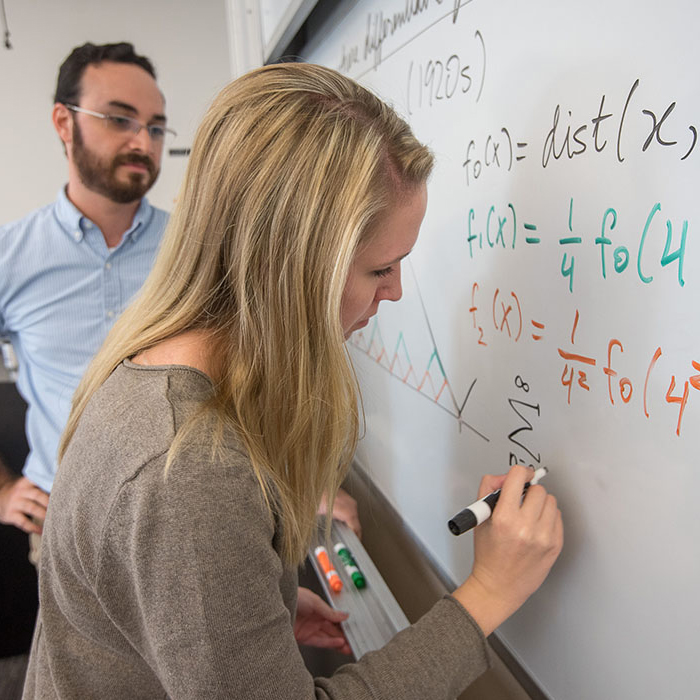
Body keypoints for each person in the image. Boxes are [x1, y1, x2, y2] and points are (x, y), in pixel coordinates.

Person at [23, 63, 563, 699]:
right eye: (380, 268)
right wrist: (489, 594)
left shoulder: (157, 370)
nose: (393, 293)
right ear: (293, 268)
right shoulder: (188, 467)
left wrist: (253, 610)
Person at [0, 42, 170, 556]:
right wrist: (4, 489)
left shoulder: (198, 249)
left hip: (180, 516)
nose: (143, 140)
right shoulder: (11, 256)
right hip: (63, 529)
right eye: (120, 120)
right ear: (63, 122)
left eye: (157, 127)